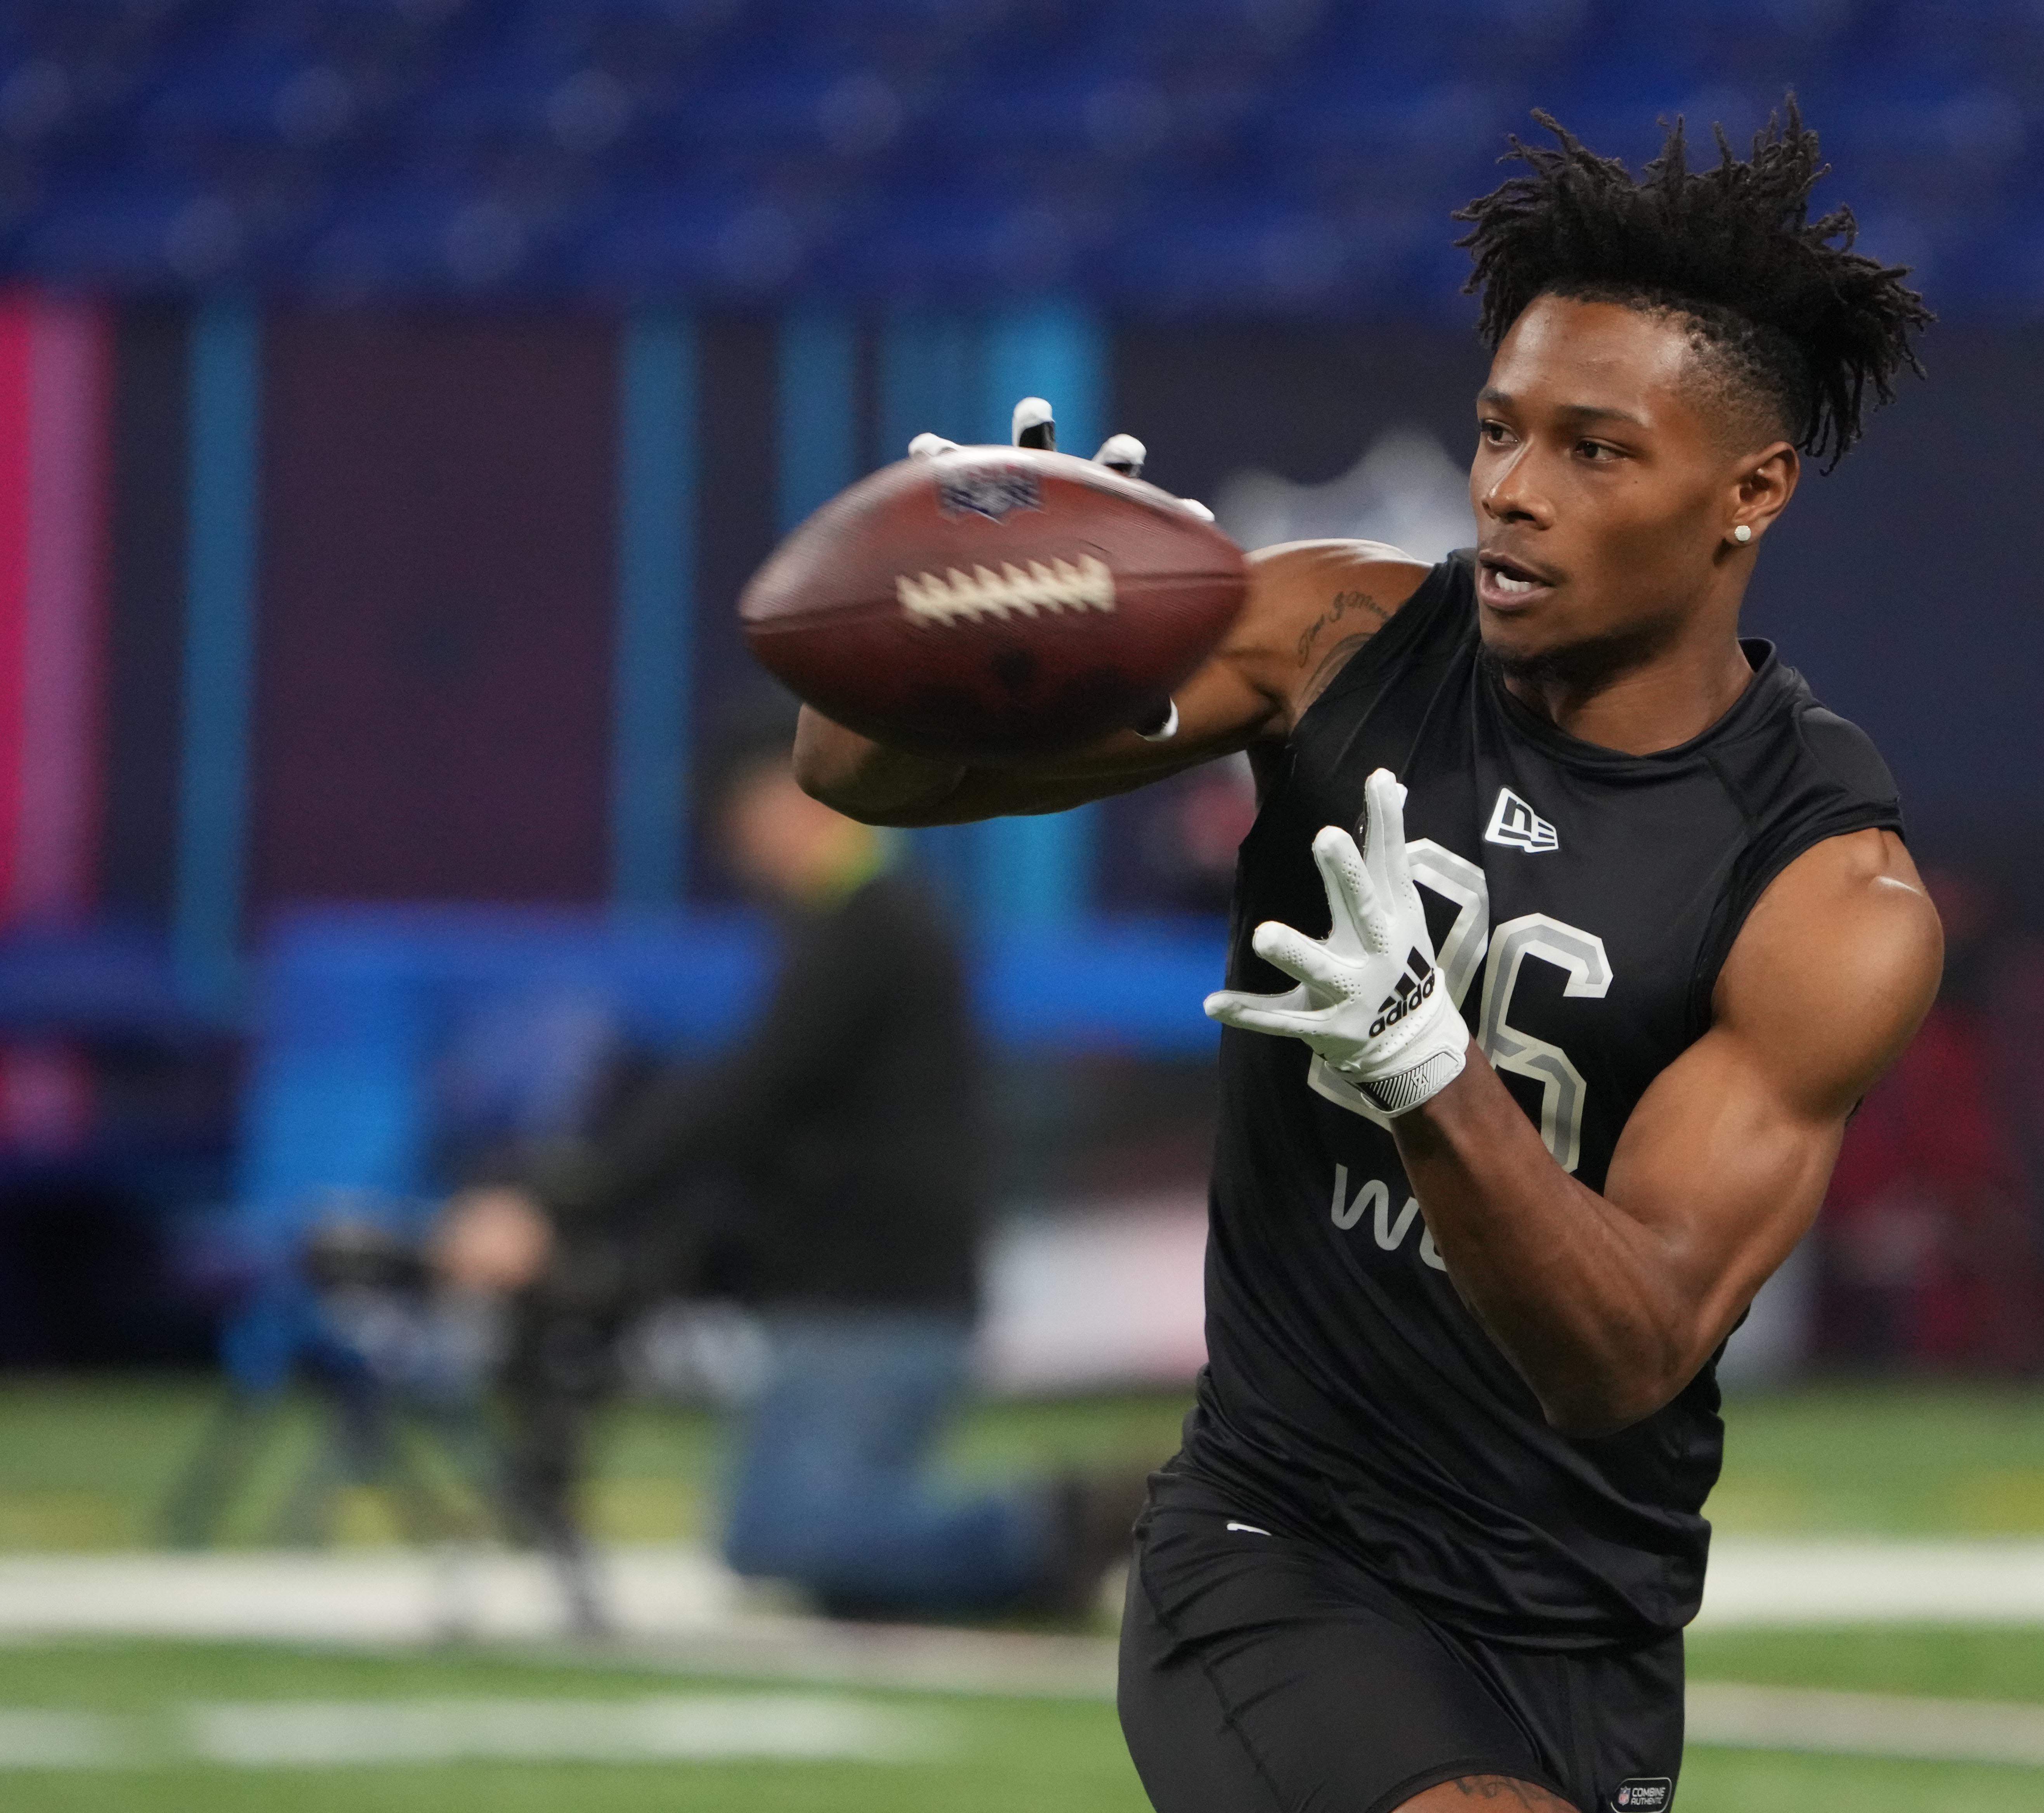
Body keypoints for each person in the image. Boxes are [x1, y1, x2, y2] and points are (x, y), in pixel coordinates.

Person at [799, 108, 1942, 1813]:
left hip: (1585, 1617)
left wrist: (1427, 1069)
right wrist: (953, 621)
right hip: (1281, 1541)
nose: (1511, 489)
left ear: (1748, 491)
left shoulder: (1826, 893)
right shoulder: (1337, 636)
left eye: (1593, 450)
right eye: (1497, 430)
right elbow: (855, 774)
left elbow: (1622, 1352)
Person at [436, 719, 1131, 1618]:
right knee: (831, 1564)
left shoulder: (871, 925)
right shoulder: (862, 922)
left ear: (784, 801)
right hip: (862, 1296)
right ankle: (1042, 1559)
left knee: (782, 1533)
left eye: (735, 820)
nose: (733, 851)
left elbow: (739, 1098)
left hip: (875, 1301)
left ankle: (1060, 1522)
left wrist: (562, 1205)